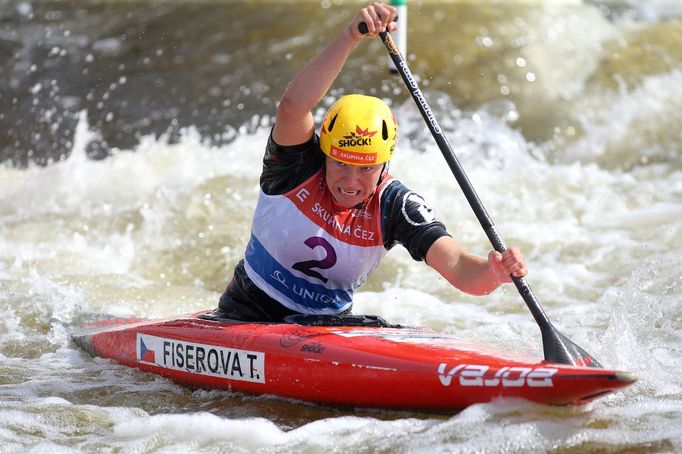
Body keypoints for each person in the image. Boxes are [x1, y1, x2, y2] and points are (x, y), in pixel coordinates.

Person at [218, 2, 527, 322]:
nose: (350, 182)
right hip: (245, 314)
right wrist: (351, 35)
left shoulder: (397, 206)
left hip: (324, 329)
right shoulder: (296, 168)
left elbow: (462, 270)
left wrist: (495, 271)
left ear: (384, 166)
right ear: (325, 153)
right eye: (340, 164)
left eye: (366, 168)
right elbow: (293, 105)